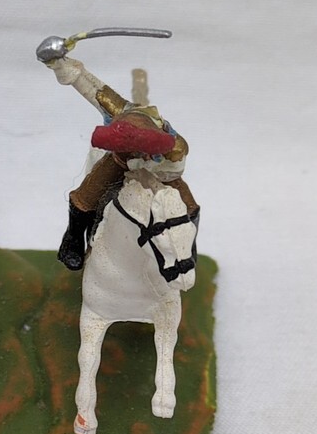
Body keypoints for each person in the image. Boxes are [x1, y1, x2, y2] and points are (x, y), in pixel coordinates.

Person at [37, 44, 199, 270]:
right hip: (118, 163)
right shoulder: (119, 110)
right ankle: (72, 240)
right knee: (84, 197)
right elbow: (90, 85)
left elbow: (172, 172)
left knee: (189, 207)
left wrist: (145, 173)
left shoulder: (175, 149)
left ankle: (187, 247)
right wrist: (58, 62)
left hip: (160, 173)